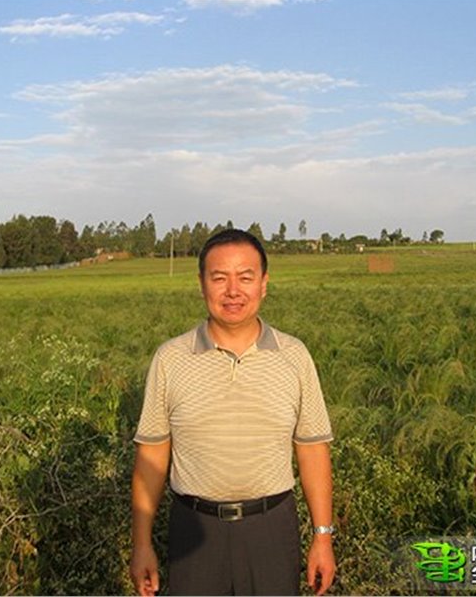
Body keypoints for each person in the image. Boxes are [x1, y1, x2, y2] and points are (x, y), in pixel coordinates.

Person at [130, 228, 336, 596]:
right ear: (201, 284)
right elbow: (152, 457)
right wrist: (141, 544)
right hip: (194, 531)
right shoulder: (171, 359)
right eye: (219, 278)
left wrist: (323, 537)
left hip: (271, 530)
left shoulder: (294, 356)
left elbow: (312, 449)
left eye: (245, 277)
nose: (233, 291)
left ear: (264, 284)